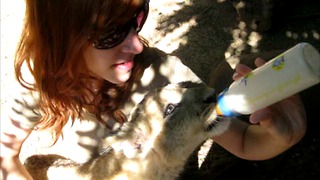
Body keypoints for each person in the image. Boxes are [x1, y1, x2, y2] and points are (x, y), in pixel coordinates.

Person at [0, 0, 306, 179]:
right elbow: (6, 155)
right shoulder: (40, 84)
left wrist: (283, 136)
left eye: (137, 19)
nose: (135, 44)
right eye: (112, 33)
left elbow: (242, 140)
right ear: (61, 38)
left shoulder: (162, 75)